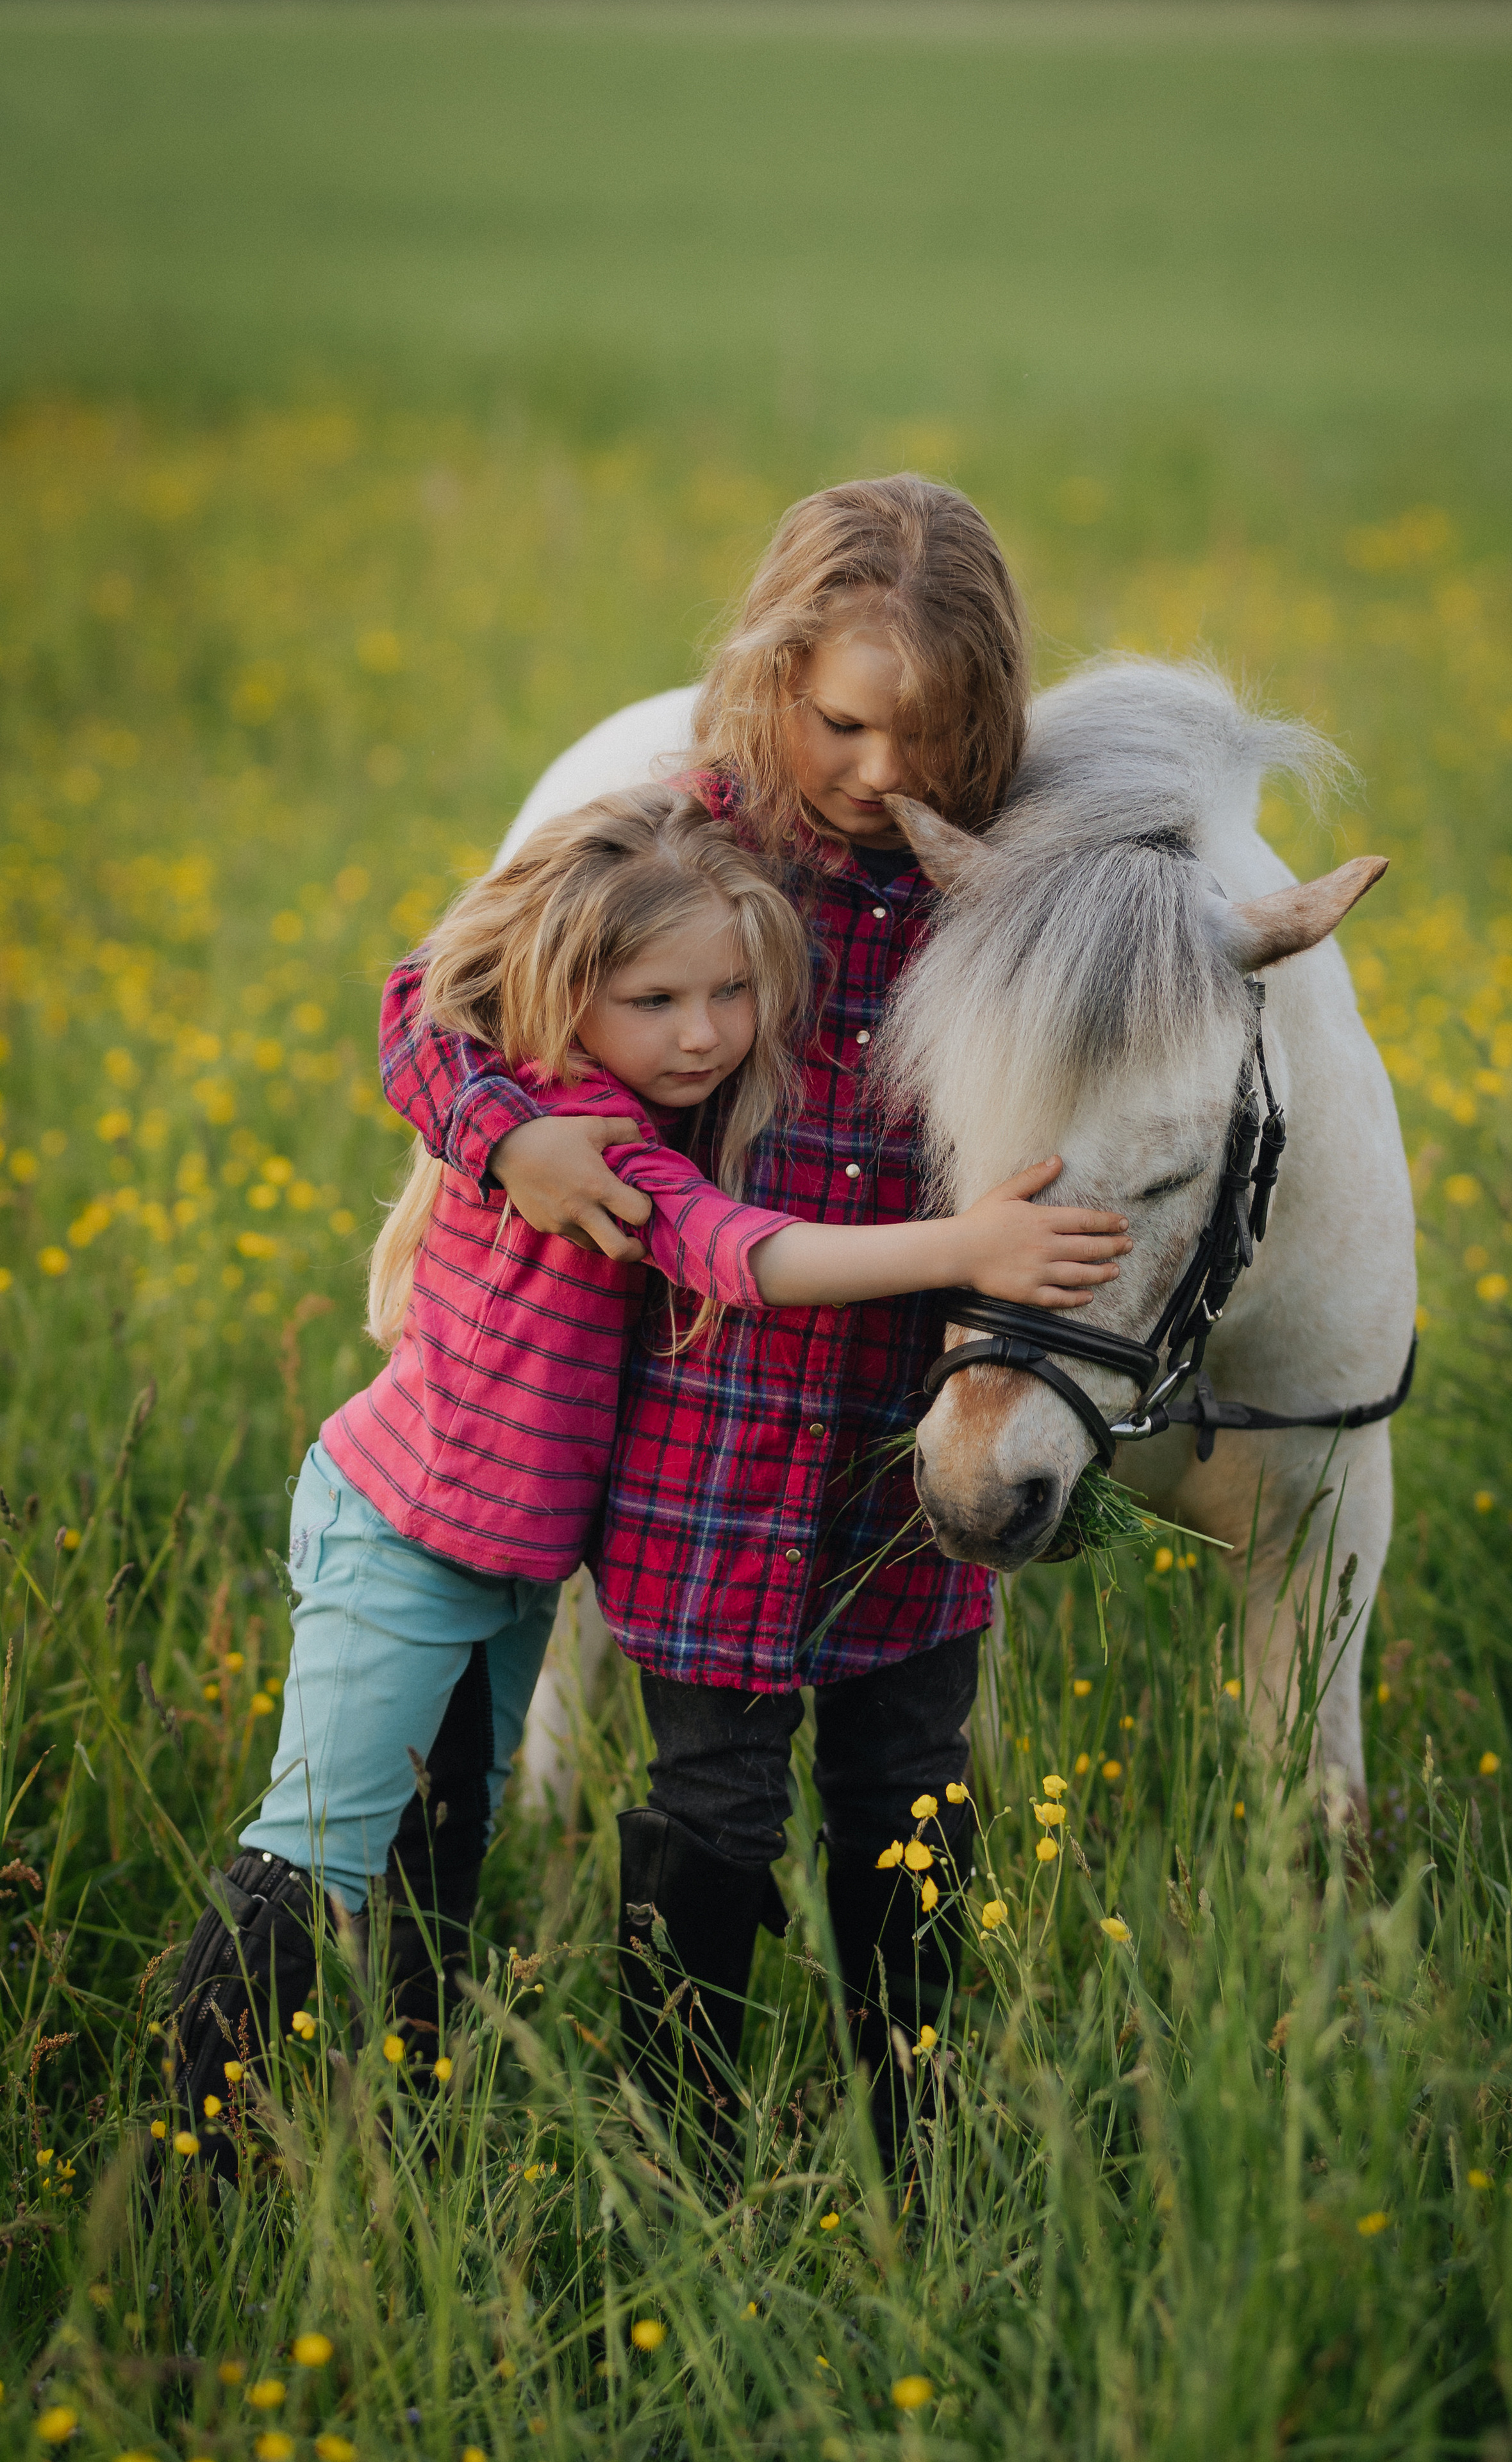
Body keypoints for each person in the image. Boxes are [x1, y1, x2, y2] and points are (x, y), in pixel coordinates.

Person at [165, 780, 1126, 2165]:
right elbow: (742, 1255)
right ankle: (193, 2144)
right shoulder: (586, 1129)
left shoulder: (630, 1109)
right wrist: (963, 1250)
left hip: (512, 1558)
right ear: (567, 994)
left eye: (731, 995)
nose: (702, 1034)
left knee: (445, 1834)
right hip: (404, 1531)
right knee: (318, 1840)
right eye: (655, 1001)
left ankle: (404, 2114)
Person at [380, 475, 1129, 2163]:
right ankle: (681, 2152)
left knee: (907, 1784)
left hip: (906, 1445)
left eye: (926, 737)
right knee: (709, 1799)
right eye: (844, 723)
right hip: (702, 1451)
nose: (879, 772)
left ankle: (916, 2135)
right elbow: (426, 1002)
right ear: (775, 675)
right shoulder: (688, 843)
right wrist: (511, 1135)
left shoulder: (1002, 892)